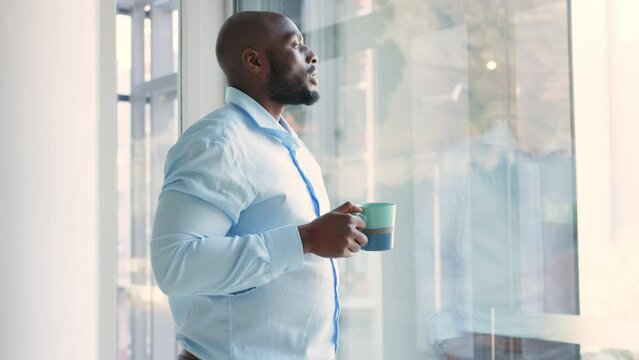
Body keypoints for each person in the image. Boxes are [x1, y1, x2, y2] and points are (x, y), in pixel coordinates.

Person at [151, 11, 368, 360]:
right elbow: (175, 265)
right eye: (296, 45)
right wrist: (308, 238)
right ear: (254, 61)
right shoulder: (218, 143)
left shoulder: (286, 144)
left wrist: (325, 231)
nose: (312, 56)